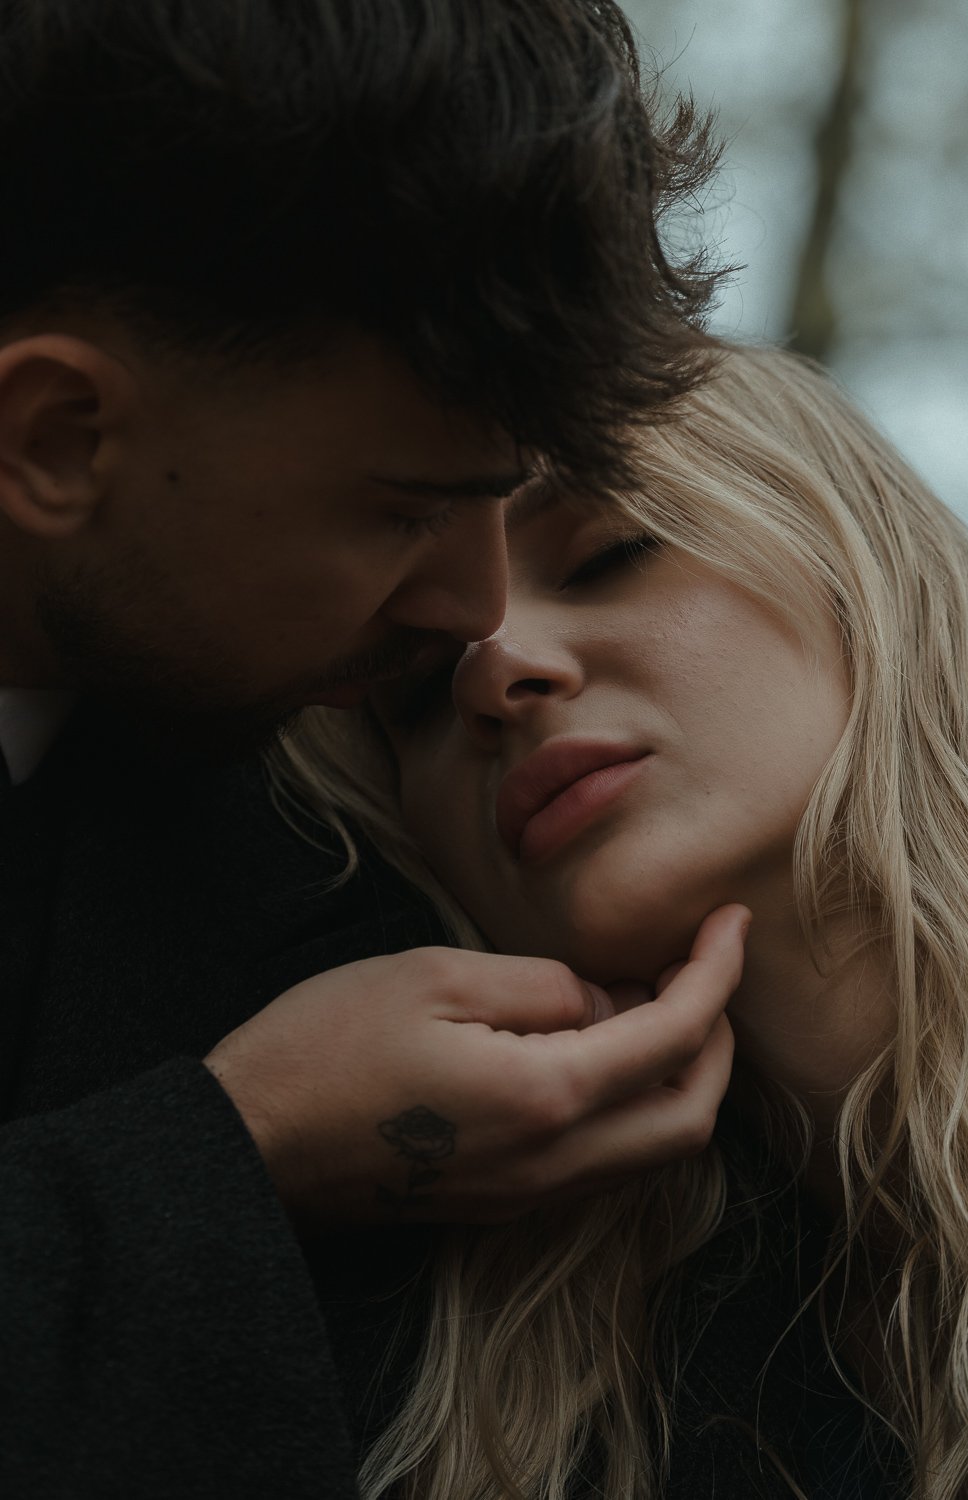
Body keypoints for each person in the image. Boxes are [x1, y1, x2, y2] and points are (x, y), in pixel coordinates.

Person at [0, 4, 751, 1496]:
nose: (476, 616)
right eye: (403, 510)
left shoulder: (325, 875)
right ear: (55, 437)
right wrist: (233, 1152)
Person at [275, 343, 968, 1499]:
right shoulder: (481, 1352)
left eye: (608, 554)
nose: (495, 670)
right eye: (416, 692)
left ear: (863, 562)